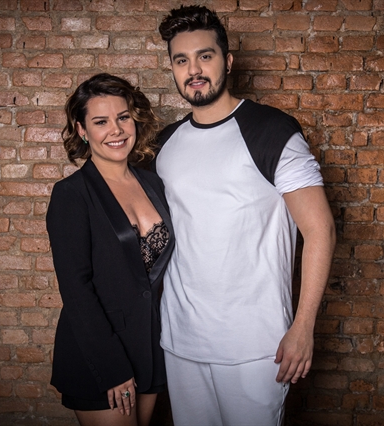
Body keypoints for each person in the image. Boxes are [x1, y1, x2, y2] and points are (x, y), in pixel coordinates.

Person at [155, 5, 336, 426]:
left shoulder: (272, 131)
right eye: (181, 60)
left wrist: (303, 326)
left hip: (256, 346)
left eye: (205, 56)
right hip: (180, 342)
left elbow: (320, 230)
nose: (193, 70)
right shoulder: (165, 144)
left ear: (228, 61)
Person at [46, 73, 174, 426]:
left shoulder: (154, 183)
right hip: (99, 353)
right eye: (101, 121)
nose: (115, 130)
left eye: (123, 117)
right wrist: (110, 366)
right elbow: (76, 290)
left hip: (150, 345)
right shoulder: (71, 194)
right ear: (82, 130)